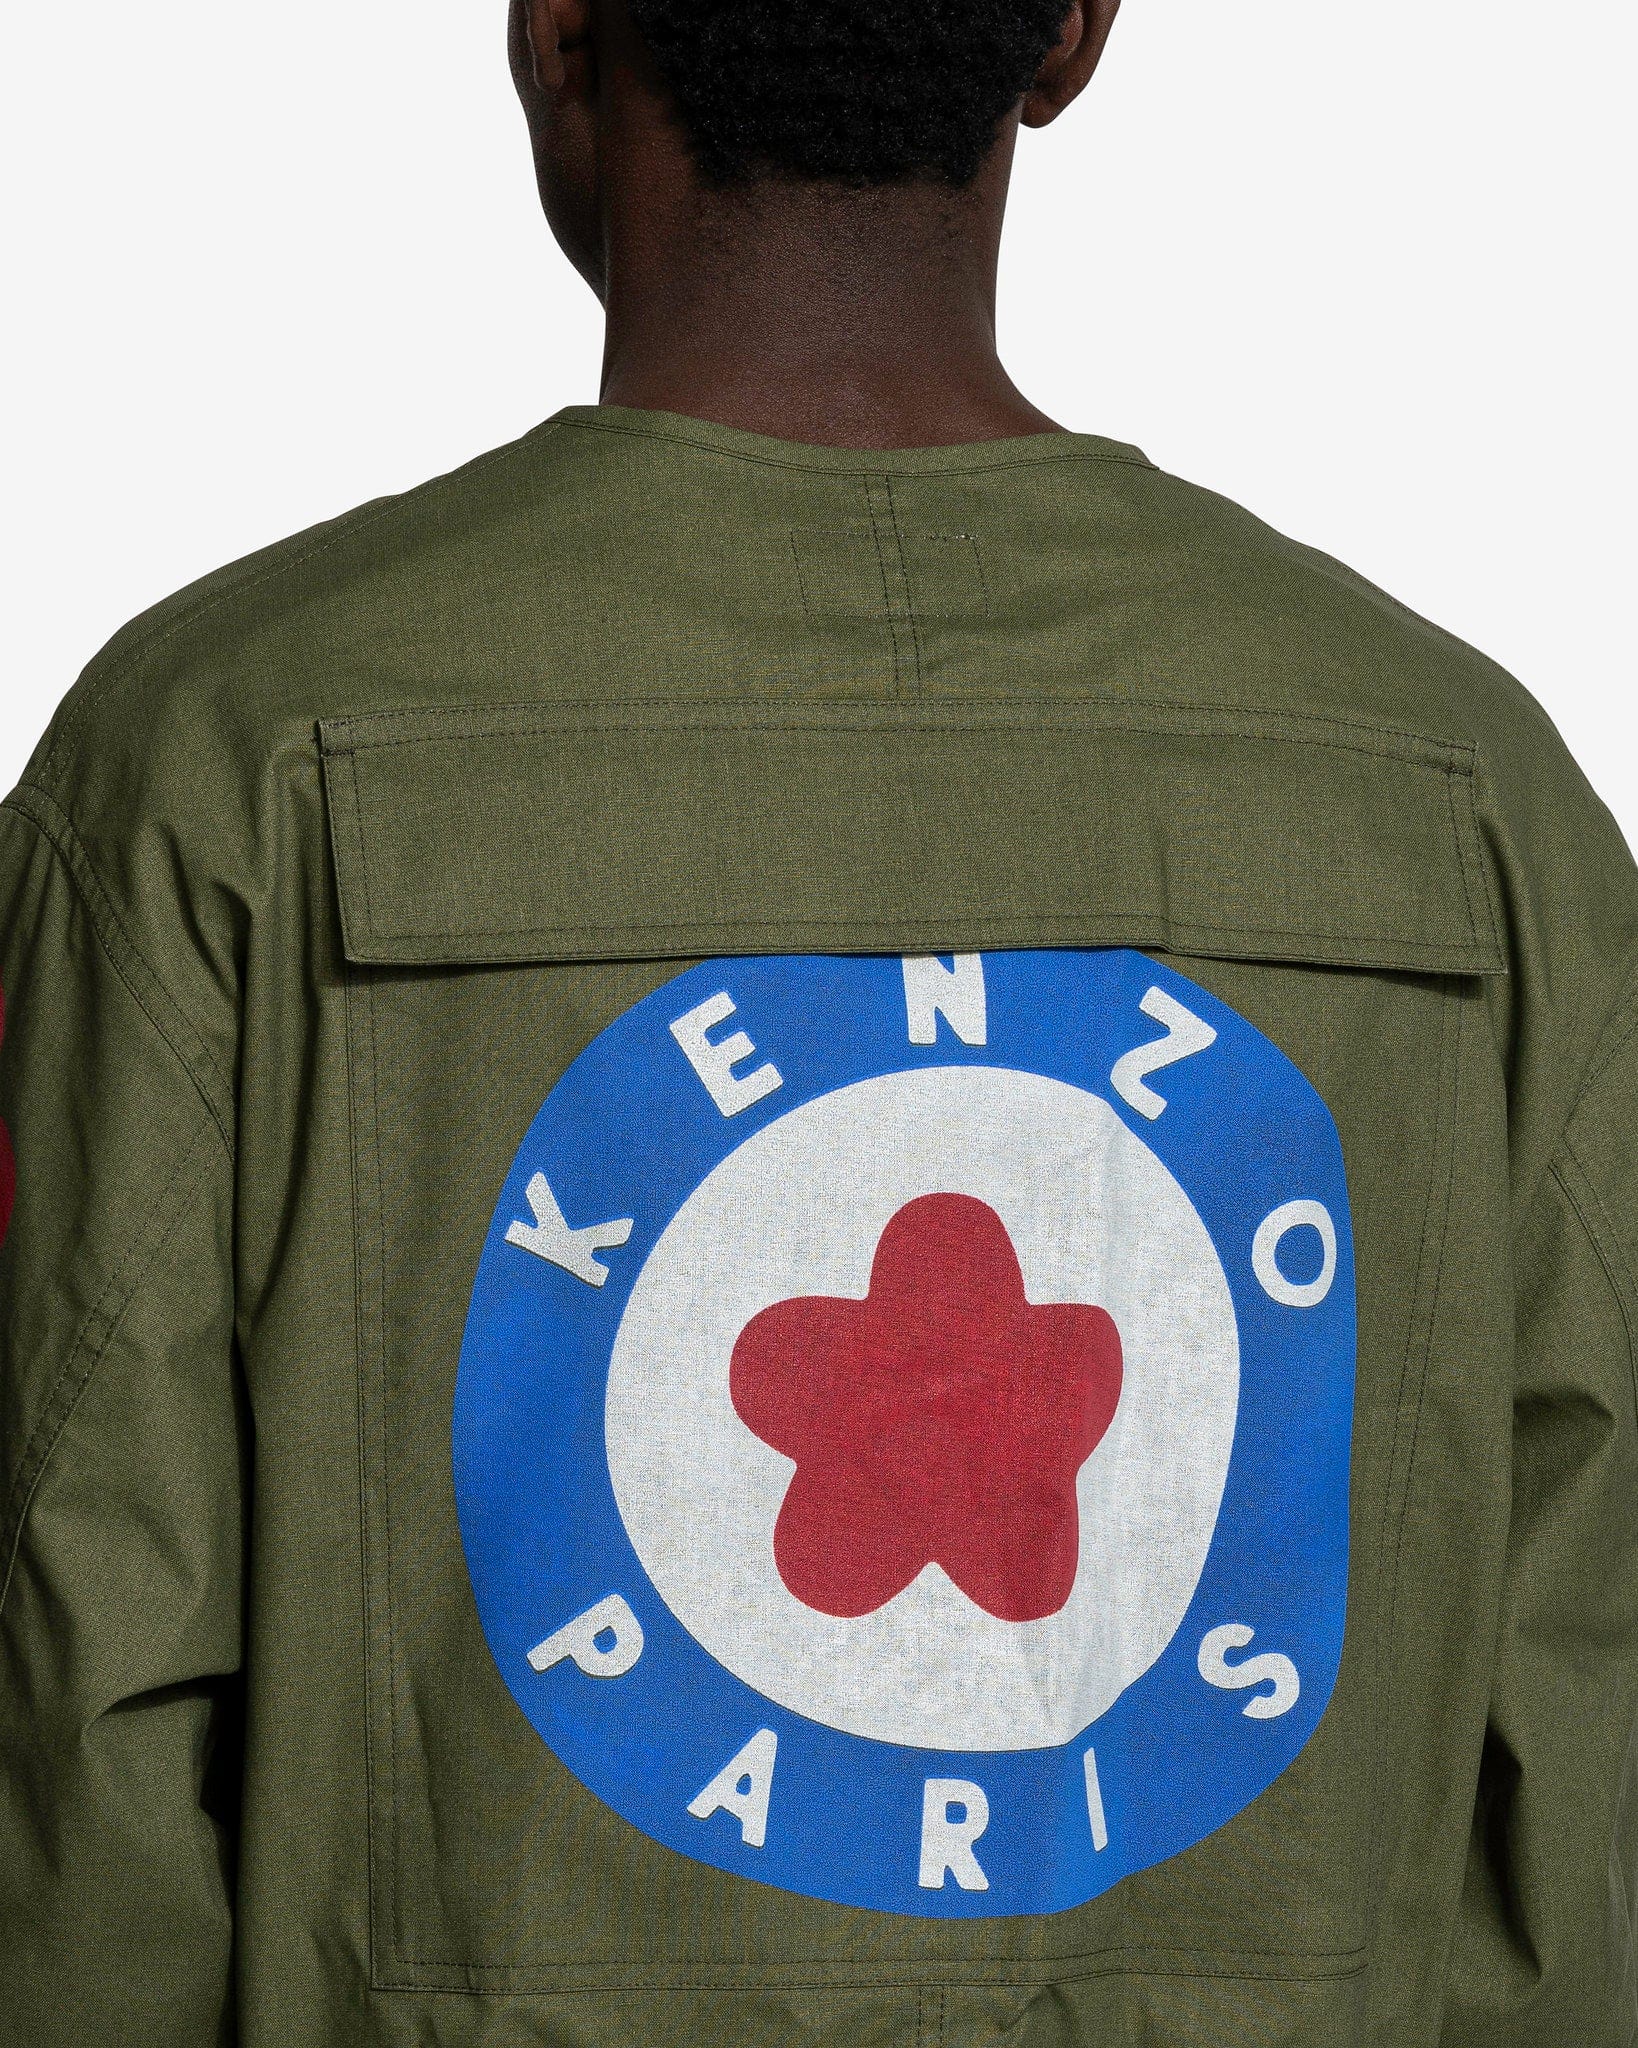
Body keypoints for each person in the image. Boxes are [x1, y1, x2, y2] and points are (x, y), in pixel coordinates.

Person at [1, 2, 1633, 2042]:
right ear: (1069, 34)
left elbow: (74, 1705)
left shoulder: (213, 757)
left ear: (555, 27)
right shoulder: (1470, 797)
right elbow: (1576, 1730)